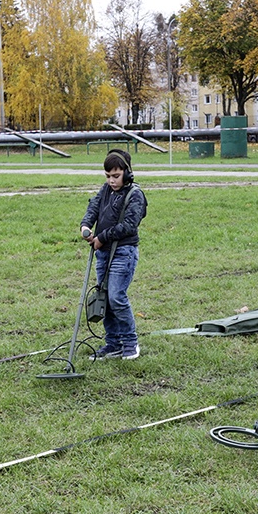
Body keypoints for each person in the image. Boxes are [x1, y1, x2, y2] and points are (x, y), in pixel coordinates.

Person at [80, 149, 147, 360]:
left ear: (127, 173)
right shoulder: (106, 190)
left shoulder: (135, 194)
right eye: (108, 176)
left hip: (123, 253)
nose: (111, 181)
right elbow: (94, 206)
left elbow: (129, 225)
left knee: (116, 296)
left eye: (116, 176)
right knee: (105, 299)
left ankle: (130, 343)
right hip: (103, 254)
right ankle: (113, 343)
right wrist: (86, 225)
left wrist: (102, 237)